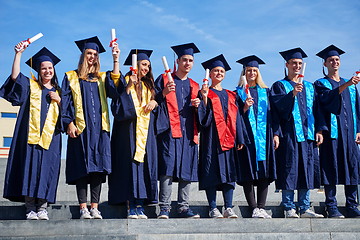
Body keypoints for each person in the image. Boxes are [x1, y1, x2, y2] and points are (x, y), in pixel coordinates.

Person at [0, 44, 62, 220]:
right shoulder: (30, 86)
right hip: (29, 139)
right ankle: (30, 208)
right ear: (39, 71)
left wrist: (59, 101)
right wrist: (18, 54)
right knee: (30, 169)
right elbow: (14, 77)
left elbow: (67, 116)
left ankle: (42, 208)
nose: (47, 71)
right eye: (44, 68)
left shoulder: (60, 92)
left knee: (46, 171)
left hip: (51, 140)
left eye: (50, 68)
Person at [61, 36, 118, 219]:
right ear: (83, 55)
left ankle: (95, 207)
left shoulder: (102, 78)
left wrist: (116, 60)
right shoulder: (71, 77)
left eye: (95, 54)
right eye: (89, 53)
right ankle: (83, 207)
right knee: (82, 169)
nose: (92, 57)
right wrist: (68, 122)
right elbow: (66, 103)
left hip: (100, 131)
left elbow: (116, 89)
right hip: (80, 130)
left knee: (98, 170)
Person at [270, 47, 325, 218]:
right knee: (289, 169)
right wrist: (292, 94)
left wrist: (320, 130)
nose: (297, 65)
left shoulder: (309, 86)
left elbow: (318, 110)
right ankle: (288, 207)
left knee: (306, 169)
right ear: (287, 64)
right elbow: (276, 109)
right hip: (289, 135)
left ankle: (304, 206)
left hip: (308, 136)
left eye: (299, 63)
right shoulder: (279, 85)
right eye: (293, 63)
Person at [108, 48, 158, 219]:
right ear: (135, 65)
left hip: (145, 135)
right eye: (143, 64)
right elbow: (117, 107)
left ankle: (140, 205)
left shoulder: (149, 86)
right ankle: (130, 205)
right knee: (128, 168)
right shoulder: (125, 81)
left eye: (148, 66)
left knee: (144, 168)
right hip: (128, 133)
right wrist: (128, 88)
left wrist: (154, 102)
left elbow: (158, 108)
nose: (146, 68)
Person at [154, 43, 201, 219]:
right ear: (177, 61)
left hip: (189, 133)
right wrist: (163, 93)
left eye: (190, 60)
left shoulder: (195, 86)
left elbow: (203, 113)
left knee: (186, 170)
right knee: (167, 169)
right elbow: (153, 101)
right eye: (184, 60)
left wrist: (199, 106)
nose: (187, 63)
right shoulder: (164, 79)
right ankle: (164, 208)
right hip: (169, 132)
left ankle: (183, 207)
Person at [314, 45, 360, 218]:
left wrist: (359, 130)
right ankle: (331, 206)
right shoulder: (321, 83)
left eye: (337, 59)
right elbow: (326, 100)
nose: (334, 62)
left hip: (350, 134)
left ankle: (351, 204)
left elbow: (357, 108)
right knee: (330, 167)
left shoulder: (351, 84)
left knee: (352, 167)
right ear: (325, 64)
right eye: (331, 60)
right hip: (331, 134)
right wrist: (347, 84)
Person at [198, 54, 245, 218]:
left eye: (221, 71)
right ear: (210, 74)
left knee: (229, 172)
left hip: (229, 139)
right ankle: (213, 208)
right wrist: (204, 99)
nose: (218, 73)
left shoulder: (231, 95)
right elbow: (202, 118)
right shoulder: (204, 92)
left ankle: (228, 207)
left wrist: (240, 137)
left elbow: (237, 117)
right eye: (215, 71)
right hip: (211, 139)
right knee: (211, 170)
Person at [235, 55, 278, 219]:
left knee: (264, 172)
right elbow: (234, 117)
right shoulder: (237, 93)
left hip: (264, 138)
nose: (252, 72)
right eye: (249, 70)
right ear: (244, 73)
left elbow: (273, 115)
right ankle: (254, 208)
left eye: (254, 70)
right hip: (246, 138)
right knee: (248, 172)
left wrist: (276, 135)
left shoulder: (266, 92)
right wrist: (245, 107)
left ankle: (261, 207)